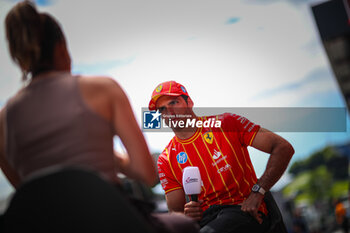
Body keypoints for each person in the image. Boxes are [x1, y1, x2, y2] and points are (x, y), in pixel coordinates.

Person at [0, 2, 199, 233]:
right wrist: (111, 157)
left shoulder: (4, 120)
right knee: (185, 225)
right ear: (62, 48)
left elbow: (30, 193)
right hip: (111, 220)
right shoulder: (103, 89)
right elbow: (146, 174)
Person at [148, 80, 295, 233]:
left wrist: (258, 193)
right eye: (162, 109)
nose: (169, 112)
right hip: (207, 221)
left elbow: (283, 148)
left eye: (174, 102)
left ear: (189, 102)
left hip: (245, 211)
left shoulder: (226, 123)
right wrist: (188, 213)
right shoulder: (166, 159)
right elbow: (176, 213)